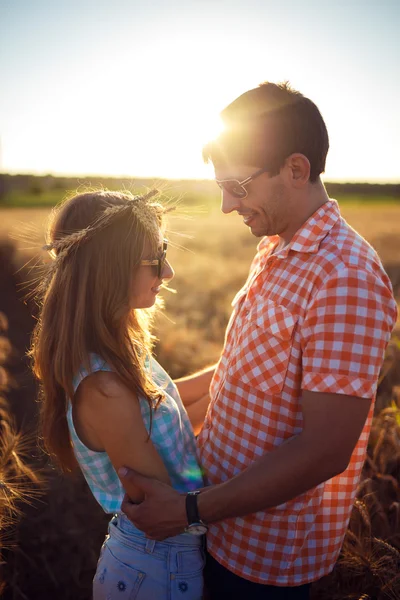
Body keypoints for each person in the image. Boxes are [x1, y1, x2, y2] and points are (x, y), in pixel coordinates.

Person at [118, 82, 398, 600]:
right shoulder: (274, 245)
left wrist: (187, 511)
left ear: (295, 169)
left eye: (237, 186)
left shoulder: (346, 278)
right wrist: (142, 400)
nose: (227, 205)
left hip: (264, 558)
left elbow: (323, 452)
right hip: (211, 517)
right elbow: (236, 370)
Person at [29, 189, 214, 599]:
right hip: (156, 573)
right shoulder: (103, 389)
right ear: (108, 271)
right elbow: (168, 501)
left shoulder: (116, 352)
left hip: (161, 564)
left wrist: (234, 373)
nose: (167, 272)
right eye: (153, 259)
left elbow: (165, 408)